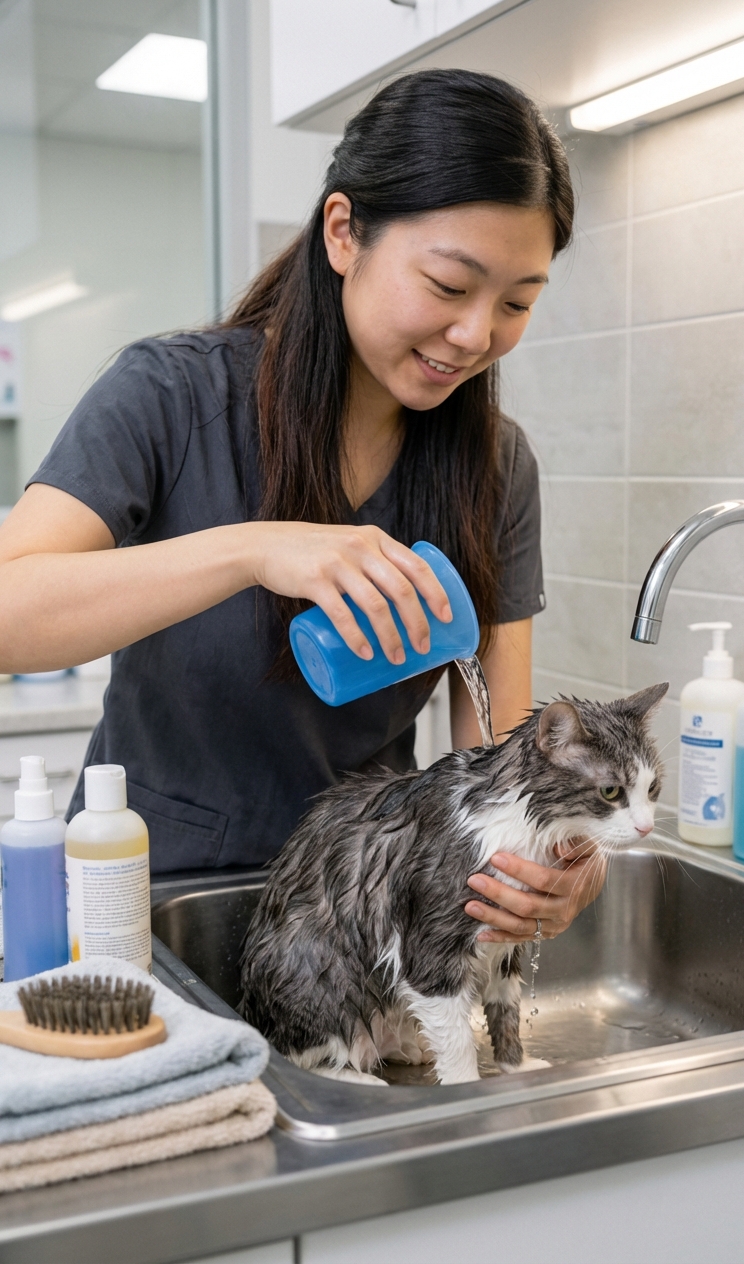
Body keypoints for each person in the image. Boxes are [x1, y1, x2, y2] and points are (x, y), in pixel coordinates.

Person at [0, 69, 605, 945]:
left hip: (355, 914)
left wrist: (556, 853)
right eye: (447, 286)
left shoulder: (495, 466)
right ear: (344, 233)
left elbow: (503, 753)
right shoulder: (168, 396)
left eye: (517, 303)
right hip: (143, 909)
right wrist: (251, 550)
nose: (477, 334)